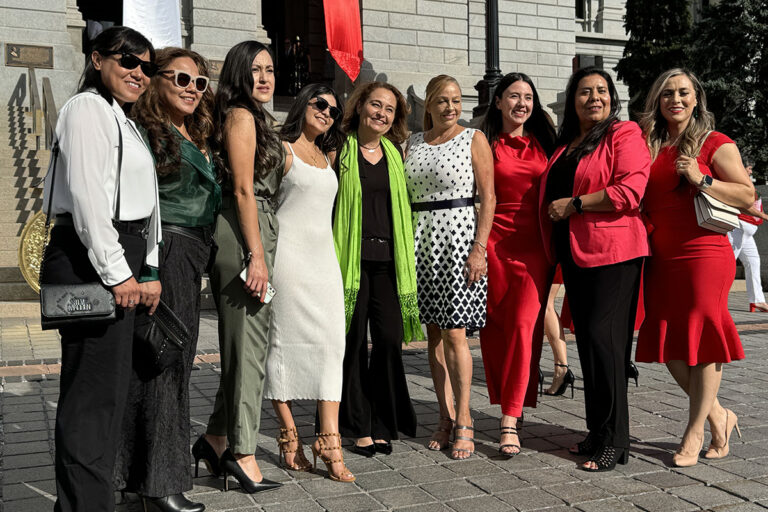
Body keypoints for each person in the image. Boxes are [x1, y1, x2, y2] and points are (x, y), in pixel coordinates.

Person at [40, 26, 162, 512]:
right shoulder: (87, 109)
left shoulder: (123, 117)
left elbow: (145, 203)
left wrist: (148, 266)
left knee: (107, 396)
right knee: (91, 398)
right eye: (127, 60)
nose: (138, 72)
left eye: (146, 66)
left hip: (122, 255)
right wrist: (119, 273)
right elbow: (90, 201)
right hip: (95, 258)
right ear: (96, 58)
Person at [114, 47, 217, 512]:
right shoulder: (148, 134)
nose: (192, 89)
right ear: (157, 81)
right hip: (167, 250)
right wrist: (149, 269)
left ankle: (135, 479)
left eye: (199, 82)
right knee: (165, 365)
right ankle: (161, 485)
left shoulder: (186, 133)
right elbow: (139, 206)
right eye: (181, 79)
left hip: (189, 253)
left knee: (160, 362)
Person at [636, 68, 754, 467]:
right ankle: (719, 415)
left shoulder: (713, 142)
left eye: (683, 92)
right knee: (667, 342)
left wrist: (701, 178)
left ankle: (694, 430)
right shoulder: (648, 145)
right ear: (657, 100)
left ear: (696, 98)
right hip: (660, 255)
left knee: (703, 337)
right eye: (667, 93)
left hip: (704, 252)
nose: (676, 100)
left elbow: (746, 194)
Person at [540, 66, 650, 472]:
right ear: (573, 100)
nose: (594, 98)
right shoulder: (569, 143)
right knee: (588, 343)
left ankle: (616, 441)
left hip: (616, 252)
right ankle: (598, 432)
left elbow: (630, 191)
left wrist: (577, 204)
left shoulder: (625, 135)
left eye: (601, 91)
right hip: (575, 252)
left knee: (607, 345)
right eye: (585, 92)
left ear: (612, 97)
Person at [191, 41, 283, 494]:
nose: (264, 78)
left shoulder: (254, 116)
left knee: (246, 344)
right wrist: (257, 255)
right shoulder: (242, 117)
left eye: (270, 69)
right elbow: (245, 191)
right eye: (255, 70)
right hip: (243, 231)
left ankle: (214, 438)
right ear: (239, 74)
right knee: (247, 350)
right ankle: (243, 454)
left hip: (253, 228)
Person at [261, 84, 354, 482]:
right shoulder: (280, 148)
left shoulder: (328, 154)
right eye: (320, 105)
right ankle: (289, 433)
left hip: (324, 260)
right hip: (288, 258)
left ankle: (327, 437)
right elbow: (262, 202)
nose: (327, 113)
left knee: (333, 344)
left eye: (334, 111)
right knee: (281, 342)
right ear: (303, 104)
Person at [404, 75, 495, 460]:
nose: (450, 107)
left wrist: (480, 248)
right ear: (428, 104)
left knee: (456, 335)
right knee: (434, 335)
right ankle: (443, 417)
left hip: (459, 241)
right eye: (442, 100)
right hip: (420, 241)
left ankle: (464, 419)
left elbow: (489, 197)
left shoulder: (473, 138)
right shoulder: (412, 143)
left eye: (456, 100)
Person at [335, 82, 421, 458]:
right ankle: (357, 425)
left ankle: (384, 421)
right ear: (360, 106)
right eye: (376, 105)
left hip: (389, 264)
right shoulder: (339, 148)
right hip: (350, 262)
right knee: (352, 344)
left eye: (390, 109)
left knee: (388, 341)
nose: (382, 114)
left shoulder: (395, 154)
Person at [478, 72, 556, 456]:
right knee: (497, 331)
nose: (521, 103)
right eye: (513, 96)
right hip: (493, 245)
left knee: (526, 326)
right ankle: (512, 399)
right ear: (498, 102)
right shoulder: (484, 143)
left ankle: (509, 418)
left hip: (534, 249)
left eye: (528, 96)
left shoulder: (547, 143)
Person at [729, 161, 768, 312]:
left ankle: (757, 301)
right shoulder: (737, 182)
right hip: (738, 227)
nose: (751, 172)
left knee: (753, 262)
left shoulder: (744, 183)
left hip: (747, 231)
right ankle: (711, 298)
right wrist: (764, 215)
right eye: (749, 168)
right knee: (727, 263)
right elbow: (741, 205)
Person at [542, 266, 575, 396]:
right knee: (545, 304)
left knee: (545, 303)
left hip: (547, 253)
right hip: (548, 251)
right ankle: (561, 368)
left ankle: (561, 368)